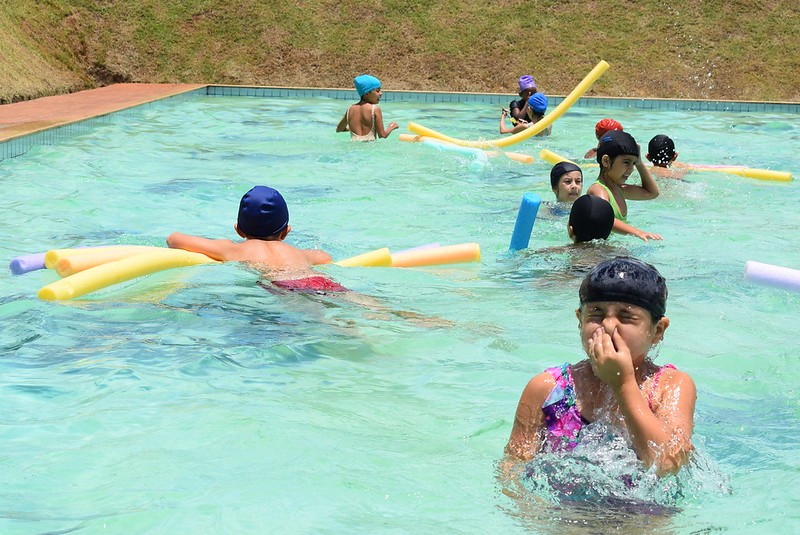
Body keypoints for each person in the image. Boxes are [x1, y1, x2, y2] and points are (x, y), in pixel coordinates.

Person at [505, 257, 696, 476]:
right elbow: (513, 468)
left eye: (626, 316)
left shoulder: (670, 386)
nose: (608, 325)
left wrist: (622, 383)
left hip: (644, 510)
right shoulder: (547, 389)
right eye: (596, 313)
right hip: (561, 510)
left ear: (658, 330)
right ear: (580, 320)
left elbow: (668, 464)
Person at [166, 185, 346, 292]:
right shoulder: (299, 253)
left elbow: (174, 239)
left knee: (322, 321)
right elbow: (324, 257)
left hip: (285, 286)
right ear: (286, 232)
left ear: (238, 230)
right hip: (322, 280)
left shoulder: (233, 249)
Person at [587, 130, 662, 241]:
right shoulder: (598, 190)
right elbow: (606, 219)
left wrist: (640, 163)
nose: (631, 168)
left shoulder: (620, 189)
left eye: (633, 163)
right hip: (595, 253)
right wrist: (638, 232)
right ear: (606, 161)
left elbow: (652, 193)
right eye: (626, 162)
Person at [336, 74, 398, 142]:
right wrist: (391, 127)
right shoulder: (375, 109)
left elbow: (339, 129)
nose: (381, 93)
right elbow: (382, 135)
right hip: (369, 149)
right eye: (377, 91)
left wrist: (350, 128)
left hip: (353, 148)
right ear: (366, 94)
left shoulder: (350, 109)